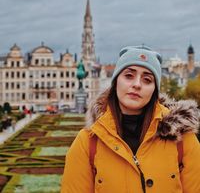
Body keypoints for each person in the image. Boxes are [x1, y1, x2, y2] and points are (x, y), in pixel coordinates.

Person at [61, 45, 200, 193]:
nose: (137, 84)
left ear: (155, 90)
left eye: (147, 79)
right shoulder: (87, 143)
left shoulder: (183, 139)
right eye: (129, 76)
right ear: (115, 82)